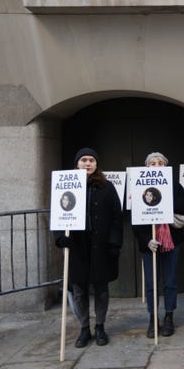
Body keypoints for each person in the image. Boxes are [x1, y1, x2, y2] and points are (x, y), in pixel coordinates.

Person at [55, 147, 123, 348]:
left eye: (91, 160)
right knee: (79, 290)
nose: (87, 163)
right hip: (77, 247)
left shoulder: (107, 187)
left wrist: (114, 243)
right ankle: (84, 327)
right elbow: (58, 214)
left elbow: (116, 218)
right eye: (83, 160)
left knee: (101, 289)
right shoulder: (65, 186)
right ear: (77, 163)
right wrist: (60, 238)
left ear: (96, 164)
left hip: (101, 247)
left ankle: (100, 326)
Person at [132, 152, 184, 338]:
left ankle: (169, 316)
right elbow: (136, 219)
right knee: (150, 283)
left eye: (160, 162)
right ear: (147, 167)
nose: (156, 165)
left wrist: (166, 213)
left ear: (165, 166)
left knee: (170, 281)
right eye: (152, 163)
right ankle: (152, 318)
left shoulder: (174, 186)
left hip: (171, 241)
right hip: (149, 243)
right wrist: (146, 240)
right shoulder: (140, 187)